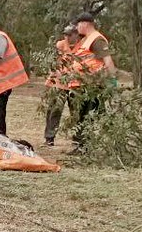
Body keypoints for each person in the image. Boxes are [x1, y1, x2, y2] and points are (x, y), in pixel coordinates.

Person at [65, 12, 117, 151]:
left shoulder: (97, 39)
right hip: (81, 85)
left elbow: (107, 60)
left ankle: (87, 146)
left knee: (88, 117)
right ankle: (81, 146)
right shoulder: (86, 40)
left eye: (78, 24)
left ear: (85, 24)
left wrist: (112, 81)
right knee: (80, 117)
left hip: (90, 86)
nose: (77, 27)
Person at [43, 23, 83, 146]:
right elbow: (53, 64)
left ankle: (78, 139)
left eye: (69, 35)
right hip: (59, 84)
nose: (67, 37)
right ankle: (49, 138)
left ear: (76, 34)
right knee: (54, 111)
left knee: (76, 112)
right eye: (65, 34)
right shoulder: (60, 45)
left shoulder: (82, 46)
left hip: (76, 84)